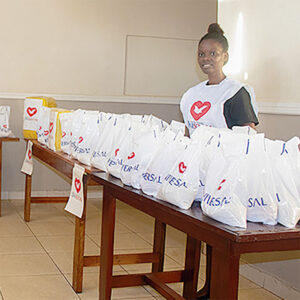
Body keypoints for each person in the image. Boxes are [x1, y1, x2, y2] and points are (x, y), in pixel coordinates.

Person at [180, 23, 259, 135]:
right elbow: (187, 133)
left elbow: (248, 137)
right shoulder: (190, 94)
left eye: (213, 53)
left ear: (225, 56)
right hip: (196, 152)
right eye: (201, 54)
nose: (206, 58)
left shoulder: (235, 92)